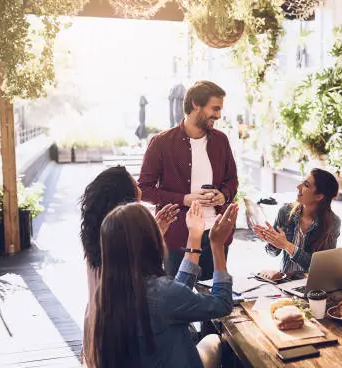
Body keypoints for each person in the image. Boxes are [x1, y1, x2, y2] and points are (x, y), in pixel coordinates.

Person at [84, 201, 238, 368]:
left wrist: (194, 238)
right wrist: (217, 245)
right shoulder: (163, 294)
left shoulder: (104, 294)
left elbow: (174, 297)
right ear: (150, 240)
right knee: (215, 340)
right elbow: (221, 304)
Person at [138, 80, 238, 280]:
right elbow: (144, 190)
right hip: (178, 238)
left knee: (215, 297)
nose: (218, 115)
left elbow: (232, 180)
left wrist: (223, 195)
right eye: (215, 108)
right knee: (179, 301)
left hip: (216, 236)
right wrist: (184, 199)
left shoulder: (221, 140)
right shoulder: (161, 143)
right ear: (195, 104)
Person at [79, 167, 179, 355]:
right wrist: (151, 234)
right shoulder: (117, 235)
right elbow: (144, 274)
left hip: (95, 321)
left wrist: (154, 231)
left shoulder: (96, 231)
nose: (138, 186)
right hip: (117, 326)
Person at [253, 168, 340, 277]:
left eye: (306, 185)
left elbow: (322, 267)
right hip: (285, 282)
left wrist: (287, 246)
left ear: (319, 196)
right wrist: (272, 242)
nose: (298, 187)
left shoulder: (333, 222)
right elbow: (273, 253)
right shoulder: (285, 212)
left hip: (312, 284)